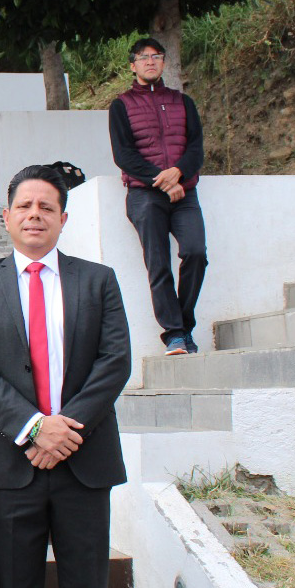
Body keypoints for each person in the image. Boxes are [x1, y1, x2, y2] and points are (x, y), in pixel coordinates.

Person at [0, 164, 131, 588]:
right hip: (11, 469)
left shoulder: (98, 282)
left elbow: (114, 363)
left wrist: (64, 432)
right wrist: (34, 428)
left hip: (84, 463)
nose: (35, 215)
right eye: (25, 207)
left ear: (63, 219)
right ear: (7, 216)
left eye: (46, 207)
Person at [109, 37, 207, 356]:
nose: (150, 61)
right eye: (143, 57)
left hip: (184, 193)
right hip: (144, 195)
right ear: (133, 65)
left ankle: (185, 324)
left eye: (156, 56)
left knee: (195, 253)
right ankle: (175, 333)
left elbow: (195, 149)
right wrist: (162, 180)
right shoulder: (121, 105)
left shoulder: (183, 102)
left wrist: (177, 173)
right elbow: (124, 155)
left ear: (164, 62)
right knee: (158, 263)